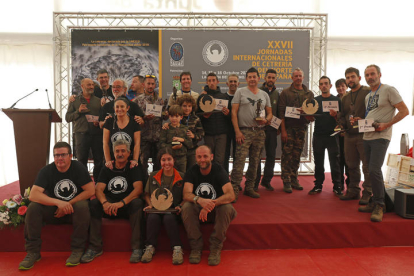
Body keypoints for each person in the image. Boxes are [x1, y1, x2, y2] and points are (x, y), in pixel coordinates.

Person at [19, 142, 95, 270]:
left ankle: (77, 250)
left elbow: (91, 190)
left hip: (74, 211)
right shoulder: (46, 170)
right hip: (54, 211)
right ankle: (33, 252)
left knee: (82, 206)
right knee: (33, 207)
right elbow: (33, 195)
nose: (59, 158)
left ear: (70, 156)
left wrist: (67, 204)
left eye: (63, 155)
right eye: (56, 155)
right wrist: (58, 203)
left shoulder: (78, 168)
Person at [358, 64, 408, 222]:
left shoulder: (388, 90)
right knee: (368, 169)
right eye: (367, 75)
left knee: (374, 169)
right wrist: (361, 121)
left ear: (379, 74)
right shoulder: (368, 96)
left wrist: (386, 125)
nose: (370, 77)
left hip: (381, 137)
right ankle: (375, 200)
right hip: (367, 136)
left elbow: (404, 111)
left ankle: (380, 204)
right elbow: (373, 115)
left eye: (372, 74)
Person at [82, 139, 144, 263]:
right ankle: (95, 247)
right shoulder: (107, 168)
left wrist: (121, 203)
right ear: (113, 153)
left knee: (137, 203)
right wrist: (105, 203)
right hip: (109, 207)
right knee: (94, 203)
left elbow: (138, 189)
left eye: (123, 151)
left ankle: (137, 248)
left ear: (129, 152)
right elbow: (98, 189)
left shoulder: (134, 167)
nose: (120, 154)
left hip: (125, 206)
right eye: (117, 151)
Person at [181, 145, 236, 266]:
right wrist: (200, 200)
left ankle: (215, 247)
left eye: (205, 156)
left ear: (211, 157)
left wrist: (210, 204)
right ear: (195, 158)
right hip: (198, 208)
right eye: (199, 157)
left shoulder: (219, 170)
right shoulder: (191, 171)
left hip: (216, 208)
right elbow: (186, 194)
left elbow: (231, 195)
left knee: (227, 207)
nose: (202, 160)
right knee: (186, 207)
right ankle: (196, 247)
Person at [230, 67, 272, 199]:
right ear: (246, 79)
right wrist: (237, 131)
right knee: (239, 162)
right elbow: (233, 113)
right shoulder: (240, 92)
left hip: (259, 132)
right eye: (250, 77)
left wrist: (266, 120)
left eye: (254, 77)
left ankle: (249, 187)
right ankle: (234, 189)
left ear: (259, 78)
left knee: (255, 161)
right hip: (244, 132)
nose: (252, 79)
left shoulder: (264, 95)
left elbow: (270, 113)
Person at [141, 148, 185, 265]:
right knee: (152, 218)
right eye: (163, 160)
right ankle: (150, 247)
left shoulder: (181, 176)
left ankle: (177, 248)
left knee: (169, 218)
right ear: (159, 161)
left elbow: (186, 197)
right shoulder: (153, 175)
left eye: (169, 159)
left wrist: (181, 206)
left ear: (174, 160)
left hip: (173, 210)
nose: (166, 163)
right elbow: (146, 194)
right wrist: (150, 204)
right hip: (156, 209)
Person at [338, 67, 372, 204]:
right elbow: (342, 114)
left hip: (365, 135)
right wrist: (341, 125)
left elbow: (375, 112)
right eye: (347, 78)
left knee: (367, 166)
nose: (350, 80)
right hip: (349, 135)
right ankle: (353, 190)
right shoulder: (345, 97)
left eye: (352, 77)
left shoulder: (368, 92)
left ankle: (368, 193)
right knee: (351, 165)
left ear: (359, 78)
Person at [278, 68, 314, 193]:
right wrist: (283, 131)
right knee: (287, 154)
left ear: (303, 77)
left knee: (297, 154)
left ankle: (294, 178)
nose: (298, 78)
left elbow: (312, 113)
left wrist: (308, 115)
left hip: (301, 128)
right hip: (288, 128)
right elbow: (281, 114)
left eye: (300, 76)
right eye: (296, 76)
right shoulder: (285, 93)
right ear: (292, 78)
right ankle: (286, 180)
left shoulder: (309, 94)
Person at [308, 76, 342, 196]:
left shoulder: (337, 100)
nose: (323, 86)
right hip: (318, 135)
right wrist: (306, 115)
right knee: (318, 162)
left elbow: (342, 120)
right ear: (319, 86)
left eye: (326, 83)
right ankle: (318, 185)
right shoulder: (315, 100)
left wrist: (335, 116)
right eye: (321, 84)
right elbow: (310, 118)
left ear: (330, 85)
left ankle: (337, 186)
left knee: (335, 162)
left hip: (333, 136)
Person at [65, 78, 103, 182]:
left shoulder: (98, 101)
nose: (91, 87)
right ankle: (83, 184)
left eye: (92, 85)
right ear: (82, 86)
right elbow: (68, 118)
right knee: (81, 161)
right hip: (81, 135)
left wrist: (99, 121)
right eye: (88, 85)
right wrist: (78, 111)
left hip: (97, 134)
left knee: (99, 161)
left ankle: (98, 184)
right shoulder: (75, 100)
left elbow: (103, 117)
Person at [254, 69, 280, 192]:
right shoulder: (257, 92)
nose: (270, 79)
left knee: (271, 155)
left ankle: (267, 181)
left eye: (273, 77)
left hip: (272, 130)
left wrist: (278, 127)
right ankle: (255, 182)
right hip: (259, 129)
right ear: (265, 78)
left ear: (275, 79)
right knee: (257, 156)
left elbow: (279, 112)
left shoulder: (277, 94)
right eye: (269, 77)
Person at [134, 74, 166, 173]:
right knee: (142, 165)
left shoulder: (160, 100)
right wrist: (144, 118)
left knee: (158, 164)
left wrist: (166, 115)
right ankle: (143, 186)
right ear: (144, 84)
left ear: (155, 84)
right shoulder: (137, 101)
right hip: (144, 138)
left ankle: (156, 185)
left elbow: (163, 116)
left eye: (152, 84)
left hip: (157, 138)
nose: (150, 86)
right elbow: (133, 118)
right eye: (148, 84)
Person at [197, 72, 230, 166]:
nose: (212, 83)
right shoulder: (202, 97)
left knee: (220, 160)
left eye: (213, 80)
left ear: (217, 82)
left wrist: (227, 114)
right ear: (206, 82)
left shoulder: (224, 97)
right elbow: (197, 115)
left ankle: (218, 180)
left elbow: (231, 117)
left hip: (222, 134)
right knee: (208, 159)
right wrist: (204, 116)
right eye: (209, 81)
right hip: (208, 134)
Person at [103, 97, 141, 170]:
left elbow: (137, 144)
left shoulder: (135, 122)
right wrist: (108, 161)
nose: (119, 109)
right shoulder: (109, 122)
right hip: (112, 160)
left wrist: (135, 160)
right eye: (117, 107)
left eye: (122, 106)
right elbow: (105, 143)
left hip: (130, 160)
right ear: (114, 108)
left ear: (128, 108)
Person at [158, 105, 192, 173]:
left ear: (181, 117)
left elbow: (190, 144)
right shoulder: (166, 128)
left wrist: (183, 140)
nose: (174, 119)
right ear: (169, 116)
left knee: (182, 177)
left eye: (177, 116)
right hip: (169, 159)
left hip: (182, 158)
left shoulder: (185, 129)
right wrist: (172, 147)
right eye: (172, 116)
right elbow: (161, 144)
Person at [177, 94, 204, 169]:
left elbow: (201, 133)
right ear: (180, 106)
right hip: (179, 149)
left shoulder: (196, 119)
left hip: (192, 149)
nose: (187, 108)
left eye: (189, 106)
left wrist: (194, 136)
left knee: (192, 170)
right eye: (184, 106)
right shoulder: (177, 118)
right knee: (181, 171)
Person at [335, 78, 350, 190]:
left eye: (342, 86)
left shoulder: (351, 98)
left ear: (346, 86)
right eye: (338, 86)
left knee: (349, 160)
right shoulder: (333, 100)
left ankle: (350, 184)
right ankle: (339, 184)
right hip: (337, 134)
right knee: (338, 159)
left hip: (349, 133)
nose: (340, 88)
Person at [223, 74, 239, 178]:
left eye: (235, 81)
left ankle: (235, 180)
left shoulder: (241, 96)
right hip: (225, 131)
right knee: (225, 156)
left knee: (237, 156)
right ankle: (224, 179)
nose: (233, 83)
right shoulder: (222, 97)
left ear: (238, 83)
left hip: (239, 131)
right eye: (231, 81)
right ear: (227, 83)